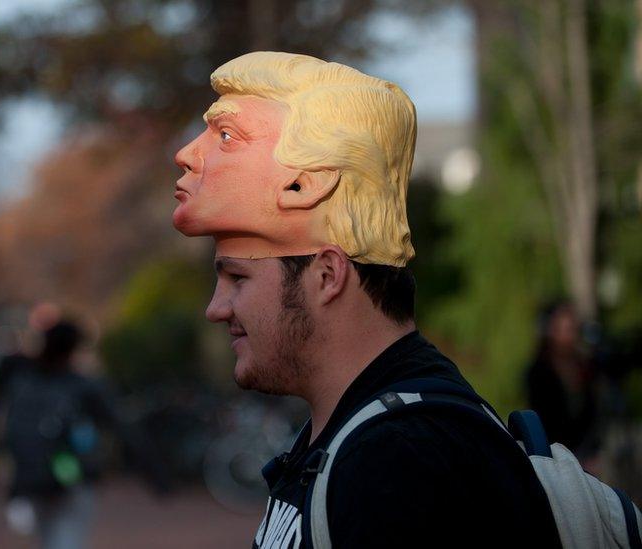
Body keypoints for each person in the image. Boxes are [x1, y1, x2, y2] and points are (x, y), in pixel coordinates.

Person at [172, 52, 561, 547]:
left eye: (237, 279)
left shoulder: (402, 459)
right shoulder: (353, 430)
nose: (216, 308)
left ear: (328, 273)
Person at [2, 318, 168, 549]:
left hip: (31, 478)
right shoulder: (82, 386)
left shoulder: (24, 383)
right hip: (71, 476)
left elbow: (8, 430)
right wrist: (155, 472)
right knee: (66, 537)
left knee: (47, 538)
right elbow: (122, 426)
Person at [525, 301, 601, 460]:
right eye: (566, 330)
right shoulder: (539, 372)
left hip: (587, 452)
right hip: (556, 456)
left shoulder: (583, 366)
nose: (571, 336)